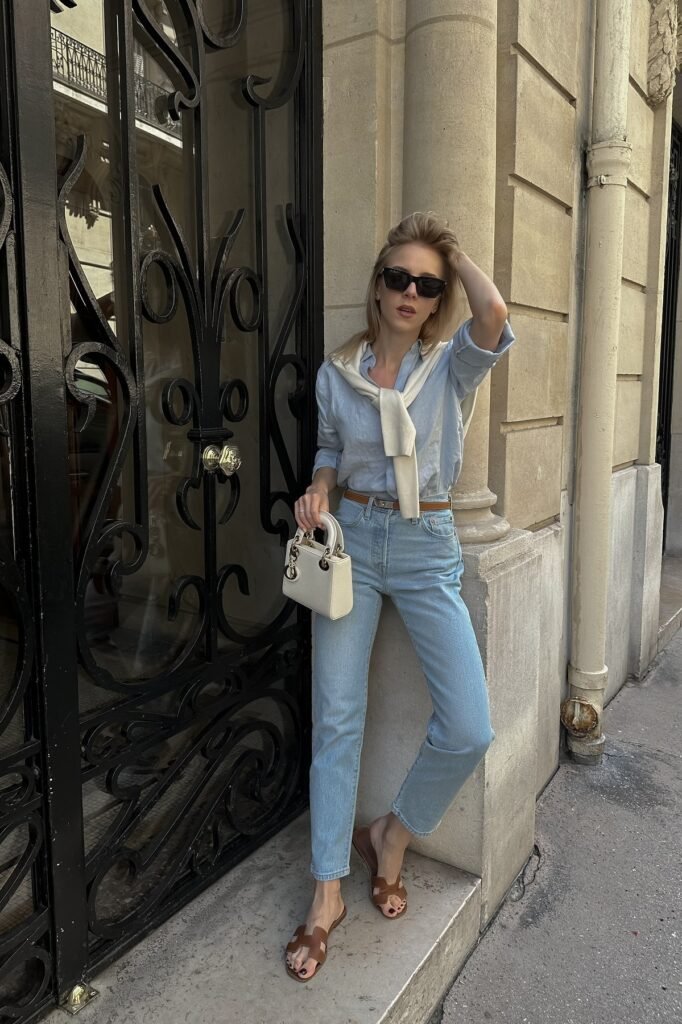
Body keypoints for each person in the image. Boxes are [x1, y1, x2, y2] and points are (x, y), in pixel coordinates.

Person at [285, 211, 515, 982]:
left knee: (471, 724)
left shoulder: (450, 365)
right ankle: (326, 893)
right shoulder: (336, 371)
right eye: (399, 278)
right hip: (350, 540)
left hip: (425, 547)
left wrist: (451, 249)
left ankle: (394, 834)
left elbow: (495, 315)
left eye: (428, 283)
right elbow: (326, 450)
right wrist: (316, 489)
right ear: (378, 287)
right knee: (336, 718)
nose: (412, 292)